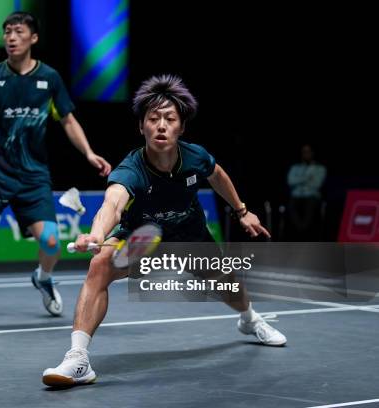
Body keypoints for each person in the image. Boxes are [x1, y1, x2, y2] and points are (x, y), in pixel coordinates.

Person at [42, 74, 287, 386]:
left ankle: (250, 320)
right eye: (153, 118)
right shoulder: (131, 169)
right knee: (99, 264)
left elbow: (218, 175)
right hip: (141, 240)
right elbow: (112, 204)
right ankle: (77, 359)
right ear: (141, 126)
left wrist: (242, 211)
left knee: (229, 286)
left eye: (169, 119)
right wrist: (97, 235)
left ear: (181, 127)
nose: (161, 125)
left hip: (190, 236)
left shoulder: (194, 156)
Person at [0, 12, 111, 329]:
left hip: (33, 175)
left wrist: (88, 153)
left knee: (50, 243)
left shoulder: (50, 79)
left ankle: (43, 277)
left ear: (33, 38)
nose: (10, 37)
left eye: (18, 31)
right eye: (6, 32)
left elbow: (68, 121)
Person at [287, 144, 326, 241]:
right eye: (304, 152)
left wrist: (298, 180)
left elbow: (316, 185)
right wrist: (307, 178)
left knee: (310, 205)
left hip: (312, 197)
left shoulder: (320, 168)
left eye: (308, 152)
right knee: (291, 205)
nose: (306, 154)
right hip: (296, 197)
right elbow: (290, 181)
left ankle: (304, 234)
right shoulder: (295, 167)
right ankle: (300, 233)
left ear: (312, 153)